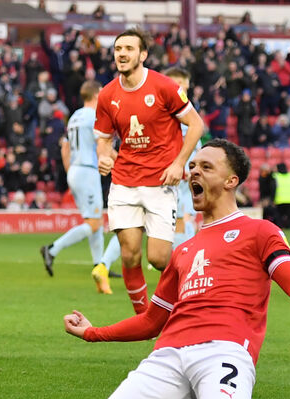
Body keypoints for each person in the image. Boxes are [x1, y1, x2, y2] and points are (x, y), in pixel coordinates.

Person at [63, 138, 290, 399]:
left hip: (224, 349)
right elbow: (151, 321)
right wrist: (92, 332)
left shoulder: (260, 231)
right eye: (192, 166)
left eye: (206, 167)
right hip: (169, 354)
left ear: (231, 181)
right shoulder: (184, 250)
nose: (194, 172)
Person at [94, 28, 204, 313]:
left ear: (142, 55)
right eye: (118, 48)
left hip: (159, 184)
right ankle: (145, 320)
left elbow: (196, 125)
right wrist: (104, 156)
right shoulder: (107, 94)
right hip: (124, 183)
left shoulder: (164, 86)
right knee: (129, 254)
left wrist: (179, 163)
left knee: (158, 258)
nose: (122, 53)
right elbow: (104, 139)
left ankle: (196, 290)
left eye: (129, 48)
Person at [40, 80, 121, 294]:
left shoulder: (75, 116)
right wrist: (123, 161)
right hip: (87, 170)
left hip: (76, 170)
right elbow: (101, 144)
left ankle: (99, 265)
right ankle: (52, 249)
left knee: (95, 220)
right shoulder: (93, 116)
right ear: (96, 94)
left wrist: (70, 171)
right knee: (94, 223)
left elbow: (65, 147)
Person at [162, 67, 203, 249]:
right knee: (181, 219)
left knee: (186, 218)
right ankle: (183, 262)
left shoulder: (186, 111)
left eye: (179, 83)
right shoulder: (174, 112)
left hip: (186, 173)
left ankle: (183, 261)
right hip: (178, 173)